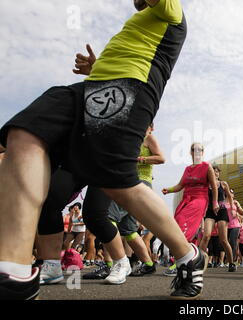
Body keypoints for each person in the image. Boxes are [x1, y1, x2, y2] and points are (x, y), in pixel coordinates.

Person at [0, 0, 208, 301]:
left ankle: (188, 255)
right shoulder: (148, 20)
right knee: (26, 130)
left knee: (116, 183)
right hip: (92, 87)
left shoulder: (171, 10)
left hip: (129, 88)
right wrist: (96, 67)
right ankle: (13, 271)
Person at [162, 143, 218, 276]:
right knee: (177, 224)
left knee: (184, 227)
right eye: (194, 150)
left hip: (199, 199)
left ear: (203, 152)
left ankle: (180, 263)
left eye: (200, 149)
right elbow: (180, 185)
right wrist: (168, 190)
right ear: (191, 152)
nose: (197, 152)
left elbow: (214, 187)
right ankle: (189, 260)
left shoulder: (207, 167)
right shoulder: (187, 169)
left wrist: (215, 203)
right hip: (187, 199)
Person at [199, 165, 235, 273]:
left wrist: (232, 208)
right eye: (214, 171)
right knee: (206, 236)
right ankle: (198, 261)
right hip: (210, 211)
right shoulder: (206, 186)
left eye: (218, 172)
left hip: (222, 211)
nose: (216, 173)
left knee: (223, 240)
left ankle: (231, 263)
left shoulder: (223, 184)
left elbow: (229, 196)